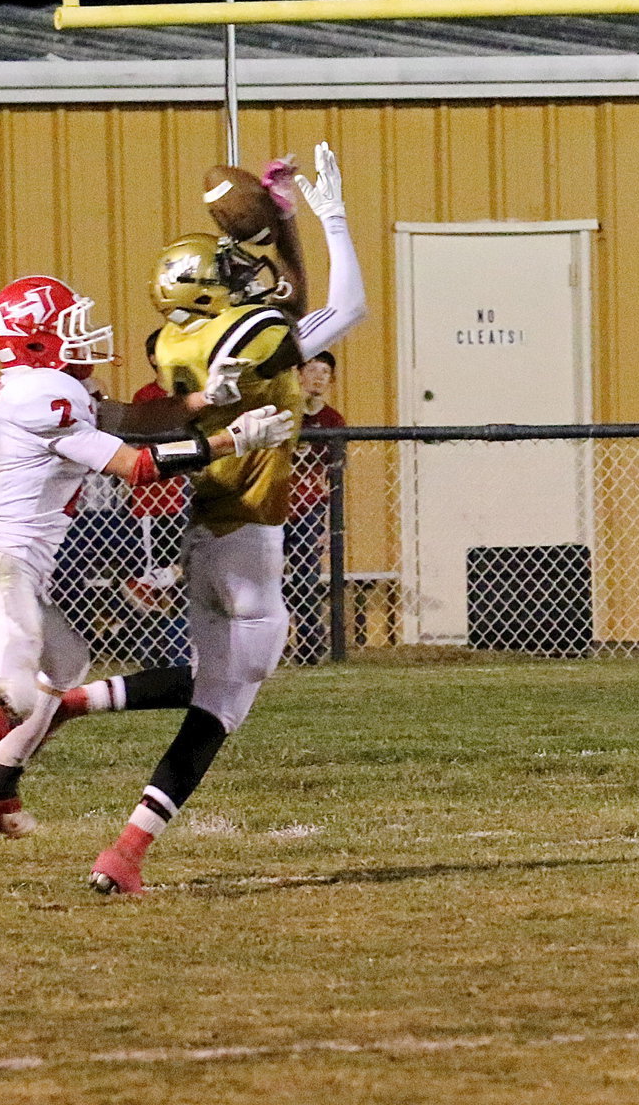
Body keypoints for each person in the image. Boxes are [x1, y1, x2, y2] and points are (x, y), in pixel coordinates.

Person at [0, 274, 293, 846]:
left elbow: (128, 419)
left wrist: (207, 401)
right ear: (35, 341)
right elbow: (136, 465)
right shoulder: (41, 396)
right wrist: (230, 442)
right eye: (68, 327)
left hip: (10, 569)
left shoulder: (50, 390)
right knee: (14, 688)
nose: (86, 337)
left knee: (65, 663)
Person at [87, 142, 367, 896]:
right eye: (229, 272)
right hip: (254, 538)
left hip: (206, 530)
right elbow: (343, 308)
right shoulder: (247, 336)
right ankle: (120, 836)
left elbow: (286, 309)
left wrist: (283, 223)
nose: (244, 273)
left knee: (211, 687)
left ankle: (117, 824)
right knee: (222, 707)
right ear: (211, 294)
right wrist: (332, 216)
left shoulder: (172, 338)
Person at [121, 328, 192, 665]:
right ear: (153, 358)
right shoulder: (146, 396)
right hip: (151, 500)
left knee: (178, 572)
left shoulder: (189, 393)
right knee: (154, 575)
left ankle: (177, 647)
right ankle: (151, 650)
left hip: (182, 494)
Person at [285, 350, 346, 663]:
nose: (319, 377)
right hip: (275, 504)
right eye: (312, 369)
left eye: (325, 372)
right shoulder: (285, 413)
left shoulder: (332, 421)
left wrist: (327, 521)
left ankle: (310, 646)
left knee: (306, 579)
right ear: (299, 374)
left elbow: (334, 474)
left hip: (308, 508)